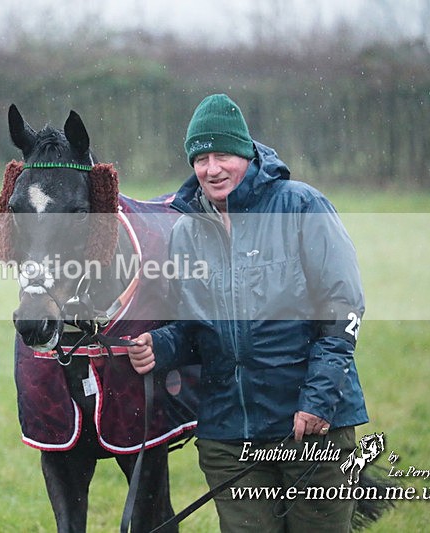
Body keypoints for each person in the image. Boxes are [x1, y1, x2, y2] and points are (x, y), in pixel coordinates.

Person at [128, 94, 369, 532]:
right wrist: (158, 346)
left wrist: (317, 402)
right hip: (228, 434)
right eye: (200, 158)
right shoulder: (185, 231)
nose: (211, 168)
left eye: (222, 155)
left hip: (309, 427)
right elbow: (190, 327)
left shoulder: (301, 207)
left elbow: (342, 310)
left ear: (247, 154)